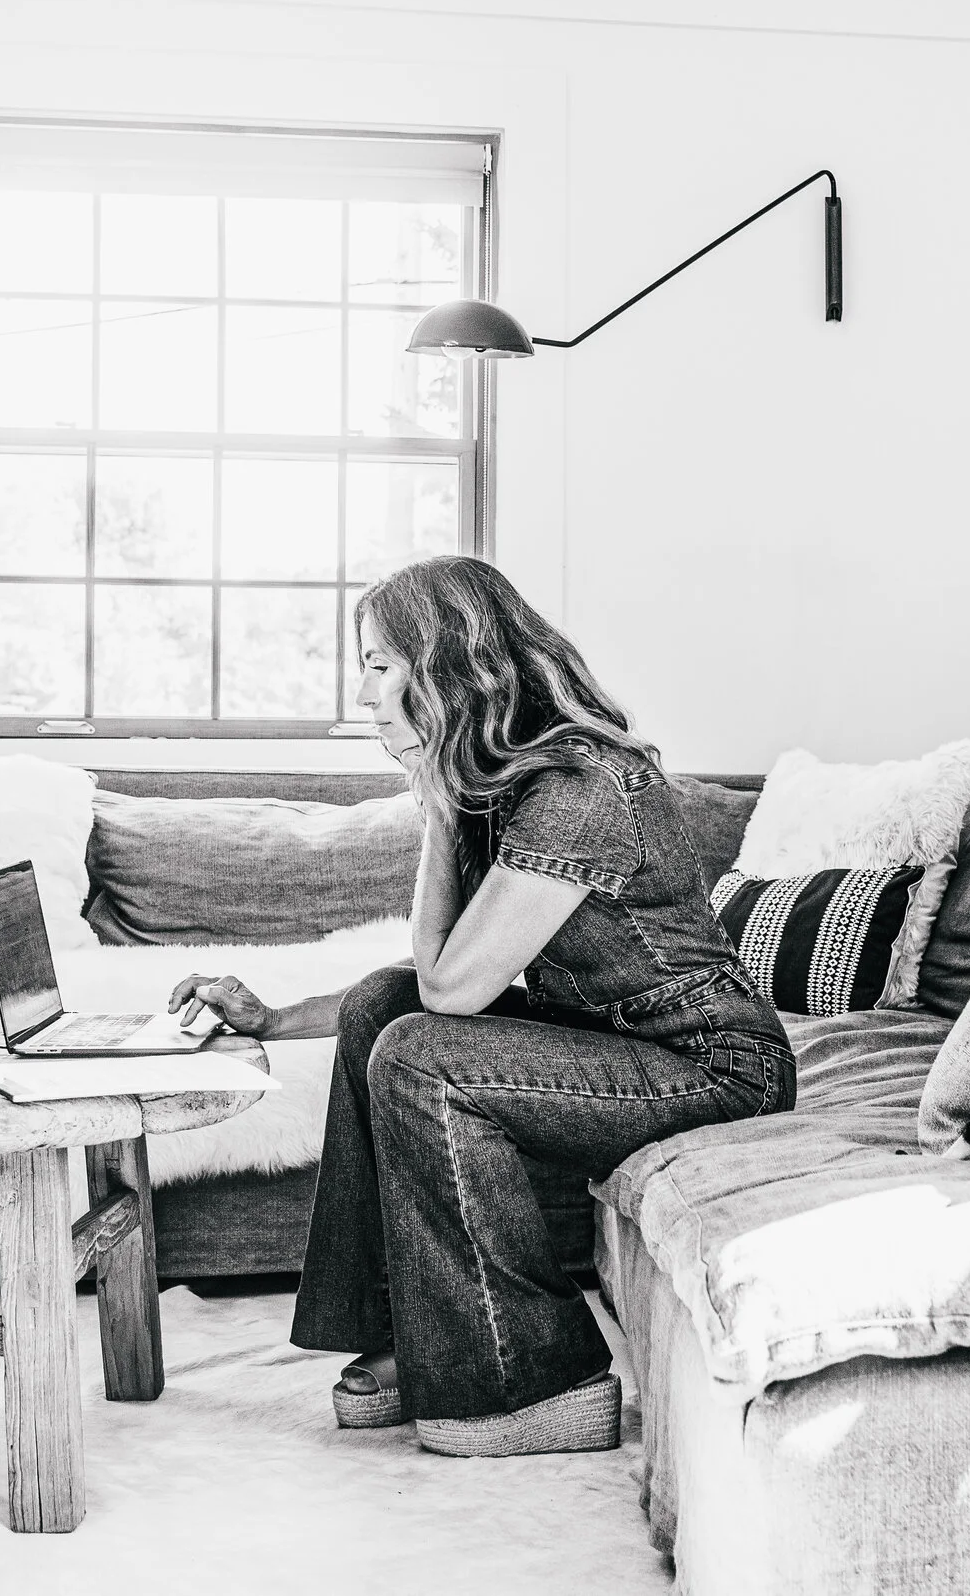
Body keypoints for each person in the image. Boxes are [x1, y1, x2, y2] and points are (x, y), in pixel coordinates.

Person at [168, 556, 794, 1458]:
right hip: (616, 1037)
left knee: (420, 1051)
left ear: (447, 665)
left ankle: (540, 1375)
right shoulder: (504, 782)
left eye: (380, 664)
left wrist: (432, 800)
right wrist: (274, 1020)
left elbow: (451, 989)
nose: (365, 691)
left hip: (713, 1066)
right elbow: (431, 979)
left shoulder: (579, 790)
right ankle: (411, 1334)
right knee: (381, 1006)